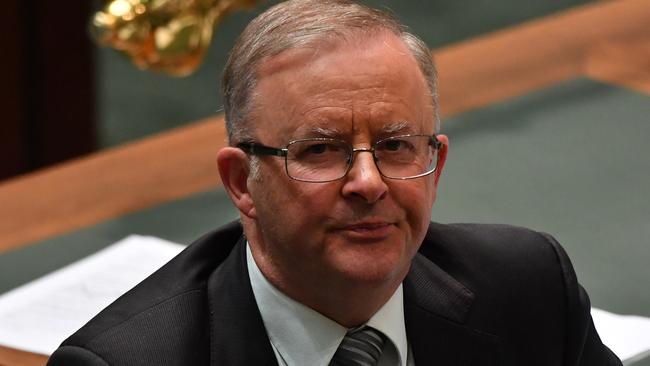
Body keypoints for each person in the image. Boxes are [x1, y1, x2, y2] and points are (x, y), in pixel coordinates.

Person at [48, 0, 621, 365]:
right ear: (241, 181)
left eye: (397, 145)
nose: (368, 183)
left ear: (436, 164)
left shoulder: (529, 287)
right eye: (320, 150)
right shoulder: (126, 363)